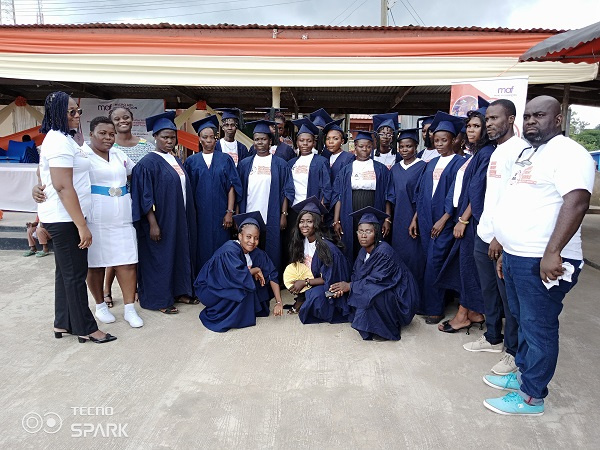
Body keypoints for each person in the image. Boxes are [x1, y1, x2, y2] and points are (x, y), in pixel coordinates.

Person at [483, 96, 595, 416]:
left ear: (558, 119)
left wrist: (553, 251)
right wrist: (506, 246)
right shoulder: (530, 153)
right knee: (521, 320)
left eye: (540, 115)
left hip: (543, 260)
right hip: (519, 255)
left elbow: (576, 202)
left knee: (538, 325)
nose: (532, 121)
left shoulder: (569, 153)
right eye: (528, 116)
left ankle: (532, 396)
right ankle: (522, 375)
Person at [37, 91, 116, 344]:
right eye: (71, 112)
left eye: (78, 111)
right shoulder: (58, 141)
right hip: (65, 218)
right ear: (58, 114)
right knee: (75, 274)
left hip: (65, 216)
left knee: (64, 273)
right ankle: (85, 327)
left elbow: (45, 176)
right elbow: (62, 186)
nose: (77, 116)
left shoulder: (64, 139)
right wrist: (82, 226)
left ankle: (62, 322)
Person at [462, 99, 523, 376]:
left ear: (510, 119)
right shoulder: (496, 151)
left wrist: (500, 236)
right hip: (484, 232)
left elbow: (516, 199)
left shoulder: (519, 151)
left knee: (508, 297)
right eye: (487, 119)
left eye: (494, 118)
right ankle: (492, 338)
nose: (489, 124)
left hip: (501, 237)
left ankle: (512, 352)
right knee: (490, 292)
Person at [131, 111, 197, 314]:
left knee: (178, 253)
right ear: (155, 137)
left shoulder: (174, 159)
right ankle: (159, 299)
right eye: (164, 137)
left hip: (178, 217)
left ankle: (179, 291)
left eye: (172, 137)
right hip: (161, 220)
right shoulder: (147, 163)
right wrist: (152, 223)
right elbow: (145, 196)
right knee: (160, 258)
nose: (169, 141)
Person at [436, 107, 495, 334]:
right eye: (469, 126)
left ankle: (463, 315)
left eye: (477, 126)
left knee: (470, 268)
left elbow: (478, 191)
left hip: (473, 222)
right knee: (465, 267)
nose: (471, 130)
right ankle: (472, 312)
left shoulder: (487, 154)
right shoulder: (476, 154)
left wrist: (463, 219)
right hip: (466, 219)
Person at [84, 116, 143, 328]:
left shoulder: (119, 155)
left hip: (122, 218)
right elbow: (55, 175)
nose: (108, 138)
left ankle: (129, 309)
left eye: (111, 134)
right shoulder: (82, 155)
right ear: (91, 134)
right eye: (103, 133)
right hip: (95, 219)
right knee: (96, 264)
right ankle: (100, 305)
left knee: (127, 261)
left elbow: (138, 173)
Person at [409, 111, 466, 324]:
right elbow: (421, 193)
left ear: (454, 140)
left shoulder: (460, 163)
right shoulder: (431, 164)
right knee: (426, 261)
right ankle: (426, 304)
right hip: (425, 219)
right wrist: (415, 218)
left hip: (444, 221)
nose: (440, 144)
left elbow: (458, 196)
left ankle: (436, 308)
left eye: (444, 140)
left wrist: (444, 219)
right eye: (436, 140)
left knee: (436, 262)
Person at [330, 207, 419, 341]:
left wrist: (350, 286)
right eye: (360, 231)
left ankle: (386, 329)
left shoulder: (384, 252)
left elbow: (377, 281)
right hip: (383, 286)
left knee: (374, 294)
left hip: (402, 297)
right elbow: (357, 275)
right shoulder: (363, 251)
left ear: (376, 233)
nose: (363, 235)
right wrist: (345, 288)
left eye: (368, 231)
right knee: (354, 295)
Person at [195, 212, 284, 332]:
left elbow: (272, 275)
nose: (252, 241)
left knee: (258, 292)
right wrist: (255, 270)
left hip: (227, 287)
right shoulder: (229, 250)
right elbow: (235, 276)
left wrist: (279, 302)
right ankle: (224, 316)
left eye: (256, 238)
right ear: (240, 236)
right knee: (243, 291)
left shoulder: (258, 254)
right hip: (210, 289)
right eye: (248, 236)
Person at [103, 106, 155, 308]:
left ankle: (135, 288)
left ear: (133, 120)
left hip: (141, 203)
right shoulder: (107, 146)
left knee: (137, 249)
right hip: (116, 204)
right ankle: (107, 289)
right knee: (115, 249)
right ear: (111, 122)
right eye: (117, 118)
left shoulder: (146, 146)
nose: (122, 121)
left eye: (126, 117)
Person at [184, 114, 242, 273]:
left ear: (216, 139)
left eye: (212, 137)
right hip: (199, 215)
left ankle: (221, 282)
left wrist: (230, 212)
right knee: (200, 249)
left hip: (221, 215)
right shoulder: (191, 161)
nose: (209, 141)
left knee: (221, 248)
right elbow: (187, 190)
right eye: (205, 137)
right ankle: (202, 283)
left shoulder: (225, 159)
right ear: (199, 139)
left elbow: (232, 187)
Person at [238, 119, 294, 279]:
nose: (260, 142)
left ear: (270, 141)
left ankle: (270, 281)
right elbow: (239, 191)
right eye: (256, 139)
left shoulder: (280, 164)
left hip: (272, 214)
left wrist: (284, 214)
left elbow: (286, 191)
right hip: (250, 214)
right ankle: (251, 279)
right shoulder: (245, 164)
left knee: (271, 249)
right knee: (250, 248)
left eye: (263, 139)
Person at [286, 197, 352, 322]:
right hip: (312, 280)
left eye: (309, 222)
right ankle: (303, 298)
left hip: (332, 288)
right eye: (301, 221)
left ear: (316, 223)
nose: (304, 225)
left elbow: (329, 279)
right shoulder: (300, 242)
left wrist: (305, 283)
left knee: (315, 298)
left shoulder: (326, 248)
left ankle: (308, 299)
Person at [332, 131, 393, 265]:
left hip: (374, 209)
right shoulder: (346, 170)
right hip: (349, 211)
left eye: (368, 146)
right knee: (351, 241)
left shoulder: (381, 169)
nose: (364, 149)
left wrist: (387, 218)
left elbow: (388, 195)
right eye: (361, 146)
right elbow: (338, 196)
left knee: (372, 241)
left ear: (372, 147)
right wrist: (336, 220)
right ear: (355, 147)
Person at [390, 128, 426, 287]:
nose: (405, 150)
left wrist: (416, 218)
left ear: (416, 146)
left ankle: (416, 293)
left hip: (414, 218)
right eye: (402, 147)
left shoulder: (423, 167)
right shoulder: (395, 168)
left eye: (409, 146)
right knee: (399, 255)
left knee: (415, 257)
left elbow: (423, 196)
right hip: (397, 219)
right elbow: (389, 195)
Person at [320, 118, 354, 186]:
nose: (330, 142)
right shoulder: (324, 157)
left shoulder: (349, 158)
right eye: (328, 138)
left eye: (335, 138)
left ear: (342, 141)